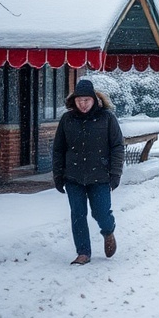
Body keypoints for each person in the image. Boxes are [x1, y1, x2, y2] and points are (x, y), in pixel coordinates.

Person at [52, 79, 124, 265]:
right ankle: (83, 252)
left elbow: (117, 146)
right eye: (79, 101)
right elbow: (59, 149)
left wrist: (115, 174)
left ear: (94, 99)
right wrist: (58, 175)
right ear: (74, 101)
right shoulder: (67, 120)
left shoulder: (107, 118)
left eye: (86, 100)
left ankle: (108, 231)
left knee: (101, 213)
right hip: (73, 176)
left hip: (100, 175)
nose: (83, 104)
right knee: (78, 214)